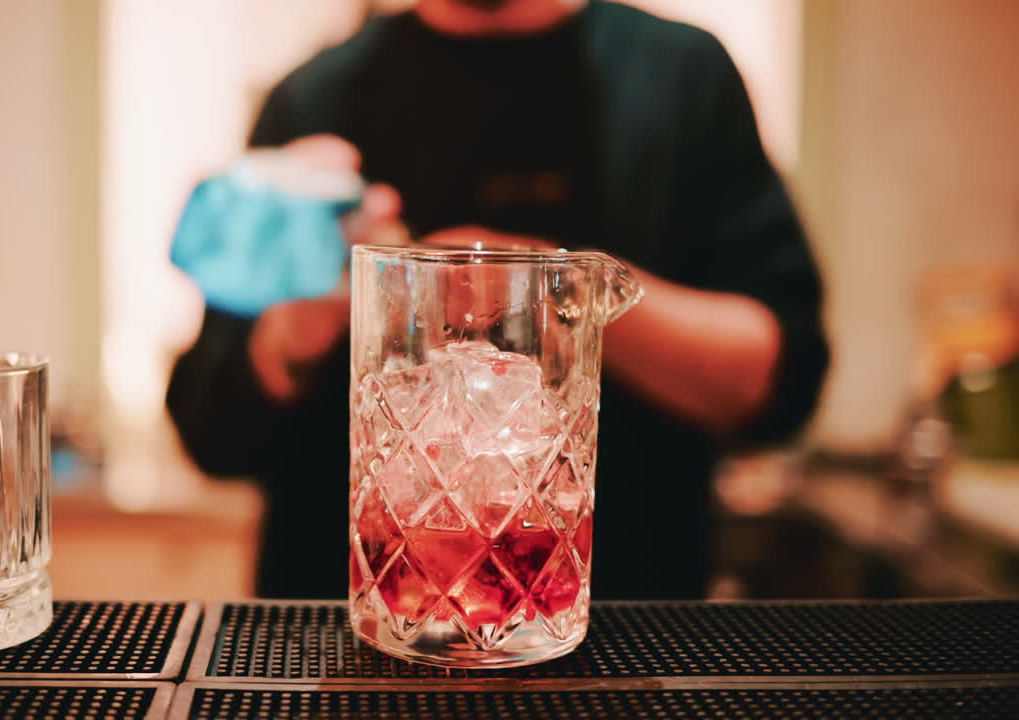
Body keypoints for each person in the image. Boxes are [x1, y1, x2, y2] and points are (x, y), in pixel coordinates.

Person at [167, 0, 829, 600]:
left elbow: (781, 378)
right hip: (344, 647)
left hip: (622, 641)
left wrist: (554, 289)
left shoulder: (682, 79)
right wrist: (297, 328)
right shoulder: (316, 98)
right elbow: (210, 432)